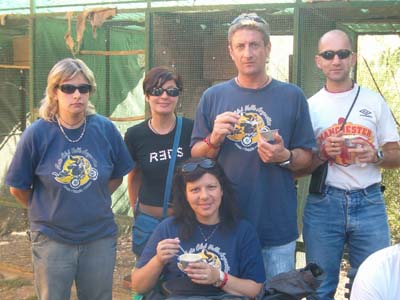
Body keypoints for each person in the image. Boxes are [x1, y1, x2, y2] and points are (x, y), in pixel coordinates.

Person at [190, 12, 315, 279]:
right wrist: (213, 139)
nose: (248, 53)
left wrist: (284, 156)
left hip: (276, 227)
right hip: (225, 225)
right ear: (231, 52)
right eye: (241, 46)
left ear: (268, 49)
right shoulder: (213, 97)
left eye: (255, 45)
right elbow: (195, 157)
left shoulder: (292, 96)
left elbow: (307, 157)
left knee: (278, 295)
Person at [5, 58, 134, 300]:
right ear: (54, 91)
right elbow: (18, 187)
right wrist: (46, 210)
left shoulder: (104, 129)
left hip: (99, 237)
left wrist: (93, 196)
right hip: (52, 239)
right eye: (68, 88)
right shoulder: (37, 133)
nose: (77, 95)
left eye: (83, 88)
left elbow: (118, 172)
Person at [301, 29, 400, 300]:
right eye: (328, 55)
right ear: (318, 61)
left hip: (369, 201)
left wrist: (376, 155)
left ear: (353, 58)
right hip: (324, 203)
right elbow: (298, 166)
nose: (336, 60)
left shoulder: (373, 101)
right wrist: (322, 152)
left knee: (374, 282)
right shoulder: (310, 107)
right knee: (319, 287)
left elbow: (396, 153)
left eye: (343, 54)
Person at [131, 157, 266, 299]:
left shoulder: (243, 231)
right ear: (186, 195)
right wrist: (158, 261)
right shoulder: (169, 228)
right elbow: (138, 286)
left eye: (211, 187)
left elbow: (256, 290)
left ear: (222, 190)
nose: (204, 196)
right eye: (195, 189)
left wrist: (218, 277)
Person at [124, 66, 193, 256]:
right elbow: (134, 174)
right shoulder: (135, 135)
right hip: (148, 224)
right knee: (146, 280)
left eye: (171, 91)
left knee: (181, 281)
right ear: (146, 96)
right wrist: (136, 211)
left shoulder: (190, 129)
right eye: (156, 91)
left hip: (183, 222)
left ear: (178, 96)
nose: (164, 96)